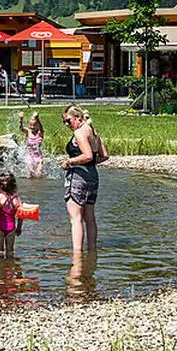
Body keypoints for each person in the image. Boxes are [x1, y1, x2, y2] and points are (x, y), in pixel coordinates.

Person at [60, 104, 108, 254]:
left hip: (78, 177)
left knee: (76, 219)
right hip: (92, 176)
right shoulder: (93, 131)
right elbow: (104, 156)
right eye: (64, 122)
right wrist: (90, 163)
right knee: (90, 218)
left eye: (68, 121)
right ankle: (92, 252)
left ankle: (77, 255)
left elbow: (87, 155)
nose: (67, 124)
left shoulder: (79, 133)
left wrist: (69, 162)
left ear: (77, 118)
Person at [0, 172, 23, 258]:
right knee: (10, 251)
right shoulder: (16, 198)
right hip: (11, 227)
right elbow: (20, 215)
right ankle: (10, 268)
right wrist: (19, 227)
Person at [18, 111, 46, 178]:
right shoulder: (27, 132)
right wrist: (21, 120)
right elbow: (21, 128)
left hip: (38, 157)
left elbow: (41, 127)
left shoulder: (40, 133)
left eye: (34, 125)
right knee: (30, 174)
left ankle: (38, 187)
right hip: (30, 156)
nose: (32, 127)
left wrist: (37, 118)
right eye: (30, 125)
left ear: (37, 125)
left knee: (38, 174)